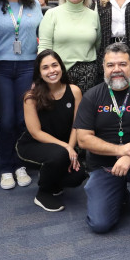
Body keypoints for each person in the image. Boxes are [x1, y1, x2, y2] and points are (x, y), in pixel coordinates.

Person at [75, 43, 130, 233]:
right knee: (100, 225)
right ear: (103, 67)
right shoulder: (92, 96)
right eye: (110, 65)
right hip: (103, 166)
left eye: (122, 64)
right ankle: (119, 193)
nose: (116, 70)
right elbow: (83, 139)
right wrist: (118, 150)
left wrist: (129, 155)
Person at [0, 0, 43, 191]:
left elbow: (41, 36)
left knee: (23, 119)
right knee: (6, 120)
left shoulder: (33, 5)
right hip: (1, 67)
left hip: (28, 66)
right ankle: (6, 168)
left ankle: (21, 165)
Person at [16, 50, 86, 212]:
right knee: (59, 155)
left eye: (55, 65)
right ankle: (43, 193)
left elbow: (77, 125)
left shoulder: (74, 91)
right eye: (45, 67)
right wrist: (66, 148)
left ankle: (53, 180)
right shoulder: (31, 97)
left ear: (61, 67)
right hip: (32, 145)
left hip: (61, 147)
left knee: (78, 175)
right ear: (39, 73)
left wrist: (71, 148)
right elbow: (36, 133)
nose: (51, 71)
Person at [38, 0, 101, 93]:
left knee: (85, 111)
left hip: (88, 74)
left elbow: (98, 45)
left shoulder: (94, 15)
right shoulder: (51, 14)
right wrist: (42, 74)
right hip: (58, 72)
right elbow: (44, 48)